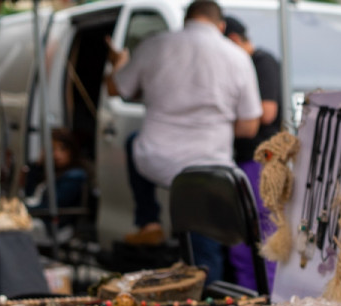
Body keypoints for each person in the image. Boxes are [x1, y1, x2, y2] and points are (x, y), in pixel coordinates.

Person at [106, 0, 261, 283]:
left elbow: (117, 88)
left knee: (132, 142)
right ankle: (207, 304)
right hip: (208, 166)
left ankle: (148, 220)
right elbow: (249, 126)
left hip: (155, 158)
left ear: (186, 20)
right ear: (221, 25)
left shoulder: (155, 45)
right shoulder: (237, 57)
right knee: (203, 248)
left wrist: (119, 63)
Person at [222, 15, 281, 292]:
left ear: (233, 40)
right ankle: (250, 296)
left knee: (264, 234)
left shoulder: (262, 61)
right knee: (241, 238)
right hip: (240, 161)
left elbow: (267, 112)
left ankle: (270, 297)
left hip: (260, 161)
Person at [23, 128, 89, 227]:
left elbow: (52, 205)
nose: (57, 154)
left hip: (52, 223)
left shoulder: (73, 177)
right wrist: (38, 165)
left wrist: (23, 209)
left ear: (71, 150)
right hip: (38, 215)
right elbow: (30, 193)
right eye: (52, 149)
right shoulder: (52, 172)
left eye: (62, 148)